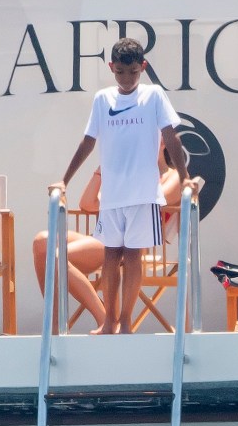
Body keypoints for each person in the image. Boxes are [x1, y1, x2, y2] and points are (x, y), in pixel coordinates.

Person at [49, 37, 195, 335]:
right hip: (113, 195)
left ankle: (126, 321)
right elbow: (88, 142)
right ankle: (109, 321)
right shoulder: (103, 99)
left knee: (132, 258)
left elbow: (171, 138)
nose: (127, 79)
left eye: (133, 72)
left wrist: (185, 176)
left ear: (143, 67)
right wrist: (64, 180)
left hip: (143, 194)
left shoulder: (153, 95)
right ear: (111, 68)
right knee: (110, 257)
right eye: (120, 73)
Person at [32, 143, 184, 334]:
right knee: (41, 241)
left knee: (56, 256)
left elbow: (153, 198)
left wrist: (122, 182)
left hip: (132, 244)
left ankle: (104, 319)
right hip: (106, 236)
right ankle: (53, 325)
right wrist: (103, 169)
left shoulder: (175, 176)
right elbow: (87, 203)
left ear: (163, 142)